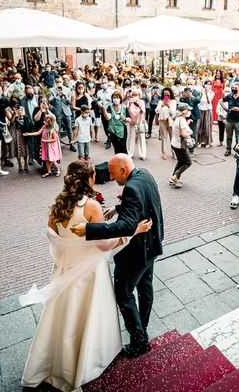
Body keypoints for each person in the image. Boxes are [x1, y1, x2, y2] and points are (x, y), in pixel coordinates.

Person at [21, 160, 151, 390]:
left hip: (65, 269)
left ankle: (53, 362)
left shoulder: (57, 204)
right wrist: (133, 232)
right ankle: (87, 361)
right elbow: (104, 245)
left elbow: (53, 236)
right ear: (89, 179)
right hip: (89, 273)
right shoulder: (90, 206)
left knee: (63, 317)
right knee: (89, 315)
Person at [71, 154, 163, 358]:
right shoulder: (145, 175)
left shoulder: (130, 188)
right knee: (145, 288)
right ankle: (143, 328)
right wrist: (118, 208)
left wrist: (89, 228)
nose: (112, 178)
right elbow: (145, 201)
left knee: (123, 293)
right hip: (153, 246)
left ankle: (139, 341)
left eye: (113, 174)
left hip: (136, 252)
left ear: (123, 170)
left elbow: (128, 226)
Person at [169, 103, 193, 187]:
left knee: (180, 162)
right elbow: (183, 134)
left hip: (174, 144)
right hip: (179, 145)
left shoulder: (178, 118)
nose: (189, 111)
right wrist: (190, 132)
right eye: (187, 109)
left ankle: (173, 178)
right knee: (188, 162)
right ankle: (175, 177)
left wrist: (187, 123)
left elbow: (180, 128)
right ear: (184, 112)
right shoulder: (181, 120)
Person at [222, 84, 239, 156]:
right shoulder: (229, 96)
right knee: (228, 136)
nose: (233, 89)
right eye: (232, 88)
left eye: (235, 88)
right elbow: (221, 100)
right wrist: (225, 108)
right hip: (229, 119)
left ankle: (237, 151)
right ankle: (228, 150)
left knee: (238, 137)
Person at [49, 79, 75, 152]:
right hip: (58, 112)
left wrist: (65, 96)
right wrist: (56, 95)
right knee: (58, 130)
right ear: (55, 83)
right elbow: (50, 101)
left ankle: (71, 144)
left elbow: (70, 102)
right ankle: (58, 146)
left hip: (66, 112)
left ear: (62, 82)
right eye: (57, 82)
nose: (59, 83)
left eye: (60, 82)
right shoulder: (52, 90)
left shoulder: (67, 90)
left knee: (69, 129)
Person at [6, 97, 30, 173]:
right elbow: (11, 122)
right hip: (14, 130)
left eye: (16, 101)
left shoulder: (21, 108)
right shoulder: (7, 110)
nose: (15, 102)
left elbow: (24, 119)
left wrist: (21, 115)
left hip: (22, 129)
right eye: (13, 101)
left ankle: (25, 163)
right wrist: (14, 114)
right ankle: (19, 164)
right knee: (16, 147)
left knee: (24, 147)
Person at [100, 91, 129, 155]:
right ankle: (118, 163)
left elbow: (129, 119)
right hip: (113, 131)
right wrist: (103, 109)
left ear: (120, 99)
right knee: (116, 149)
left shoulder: (124, 107)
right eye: (114, 97)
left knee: (123, 149)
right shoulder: (110, 107)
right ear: (112, 99)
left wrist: (125, 118)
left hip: (122, 130)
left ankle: (126, 163)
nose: (116, 99)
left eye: (118, 97)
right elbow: (108, 117)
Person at [155, 88, 177, 160]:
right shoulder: (160, 101)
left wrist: (168, 106)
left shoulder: (174, 101)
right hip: (162, 120)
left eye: (168, 94)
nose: (166, 96)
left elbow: (173, 112)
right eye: (165, 94)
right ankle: (163, 153)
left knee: (172, 137)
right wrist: (162, 105)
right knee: (163, 137)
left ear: (170, 94)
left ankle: (174, 153)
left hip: (170, 121)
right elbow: (157, 111)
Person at [126, 88, 147, 160]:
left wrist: (139, 105)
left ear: (139, 95)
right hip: (131, 122)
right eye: (134, 95)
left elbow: (143, 111)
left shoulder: (142, 102)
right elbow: (127, 111)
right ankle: (130, 153)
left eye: (136, 94)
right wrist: (130, 104)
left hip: (140, 122)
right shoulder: (129, 102)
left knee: (141, 138)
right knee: (131, 137)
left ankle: (143, 154)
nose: (135, 96)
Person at [197, 80, 214, 148]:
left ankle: (208, 142)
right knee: (199, 126)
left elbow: (209, 101)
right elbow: (198, 100)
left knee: (207, 126)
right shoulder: (200, 91)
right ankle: (199, 141)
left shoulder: (212, 92)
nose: (208, 85)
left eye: (209, 84)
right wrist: (201, 93)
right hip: (200, 110)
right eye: (207, 84)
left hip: (207, 110)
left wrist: (206, 93)